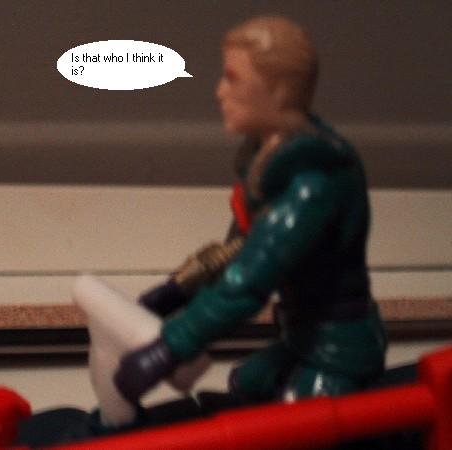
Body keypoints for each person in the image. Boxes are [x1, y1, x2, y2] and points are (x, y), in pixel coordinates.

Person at [113, 15, 387, 408]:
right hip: (300, 337)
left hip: (338, 349)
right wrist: (177, 291)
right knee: (245, 385)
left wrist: (168, 350)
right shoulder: (266, 162)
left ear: (277, 92)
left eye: (233, 80)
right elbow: (237, 249)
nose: (219, 92)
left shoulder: (311, 185)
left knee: (296, 426)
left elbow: (249, 281)